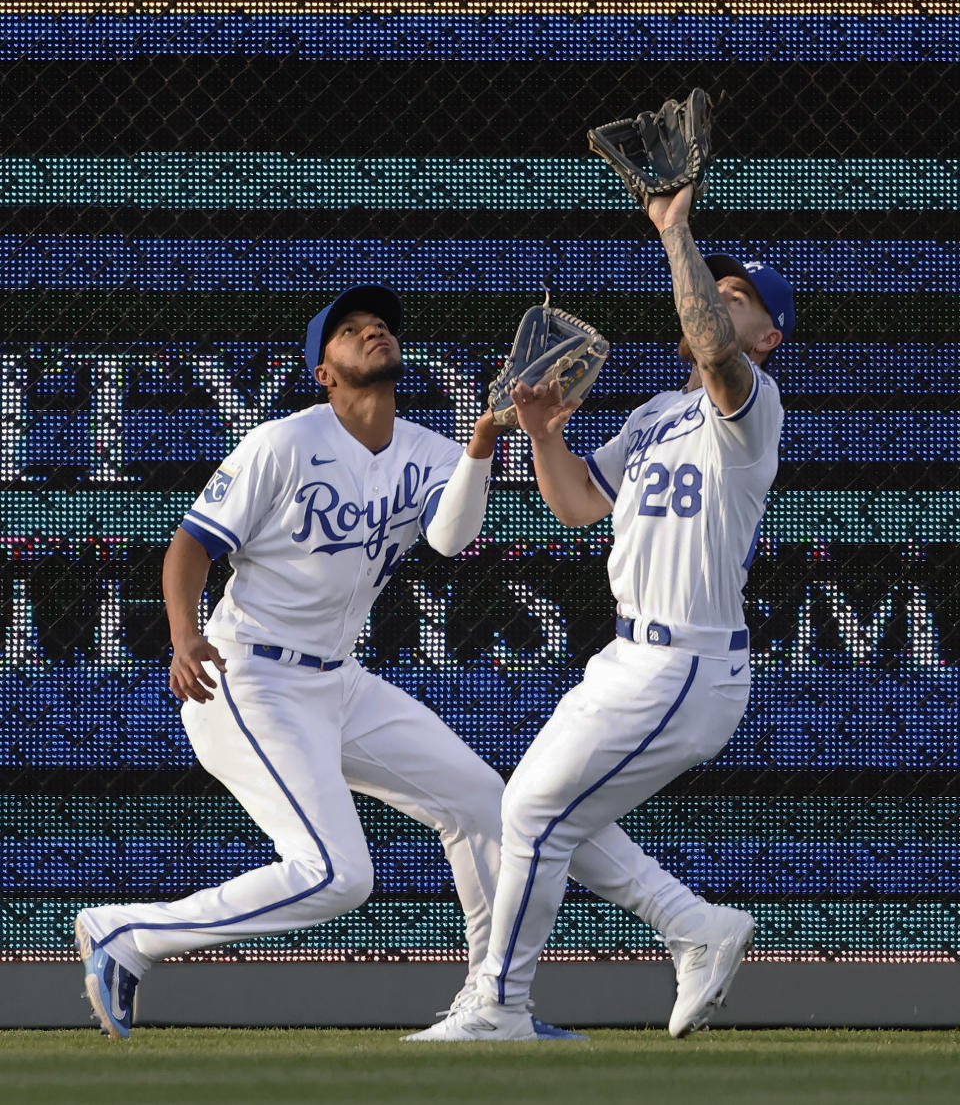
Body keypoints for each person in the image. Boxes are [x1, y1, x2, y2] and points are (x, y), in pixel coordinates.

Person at [74, 282, 718, 1041]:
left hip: (338, 684)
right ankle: (128, 935)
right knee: (335, 875)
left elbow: (450, 537)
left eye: (380, 324)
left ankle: (493, 1007)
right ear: (325, 370)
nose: (373, 331)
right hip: (248, 678)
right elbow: (190, 547)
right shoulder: (284, 443)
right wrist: (184, 637)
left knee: (486, 805)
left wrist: (482, 441)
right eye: (352, 330)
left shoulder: (425, 449)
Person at [407, 182, 795, 1041]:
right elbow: (580, 502)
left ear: (768, 337)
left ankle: (501, 1005)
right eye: (718, 291)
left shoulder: (751, 408)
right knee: (534, 809)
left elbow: (707, 343)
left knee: (539, 814)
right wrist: (544, 432)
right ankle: (696, 926)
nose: (721, 304)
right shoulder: (660, 413)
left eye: (741, 301)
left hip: (688, 663)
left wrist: (674, 228)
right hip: (629, 656)